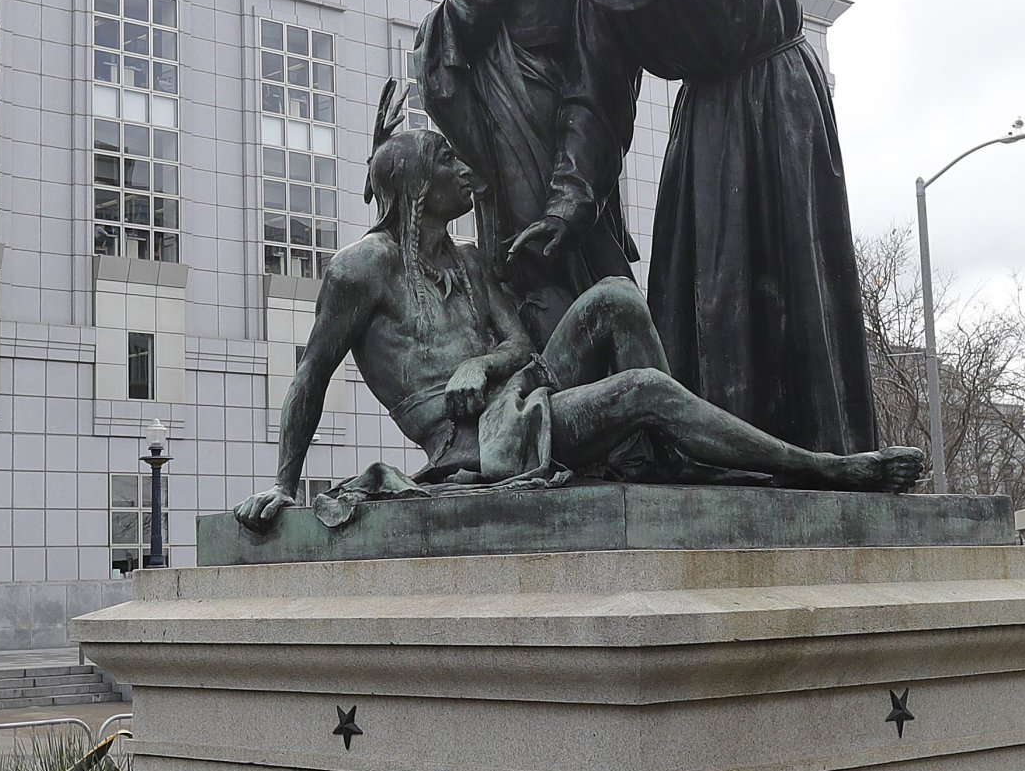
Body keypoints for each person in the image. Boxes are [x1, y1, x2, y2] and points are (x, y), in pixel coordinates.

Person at [231, 88, 924, 532]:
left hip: (522, 395)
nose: (466, 172)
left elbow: (520, 350)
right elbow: (310, 375)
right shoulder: (361, 270)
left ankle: (667, 456)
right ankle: (824, 468)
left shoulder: (471, 264)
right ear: (413, 187)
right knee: (645, 389)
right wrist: (283, 487)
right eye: (447, 163)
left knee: (617, 297)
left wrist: (483, 360)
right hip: (476, 445)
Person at [548, 0, 880, 457]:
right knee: (711, 295)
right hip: (705, 125)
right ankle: (714, 452)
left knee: (783, 283)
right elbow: (593, 98)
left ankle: (811, 449)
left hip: (775, 103)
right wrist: (569, 197)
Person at [412, 0, 638, 342]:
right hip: (573, 109)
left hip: (516, 102)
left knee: (528, 261)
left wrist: (429, 41)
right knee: (579, 252)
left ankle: (562, 388)